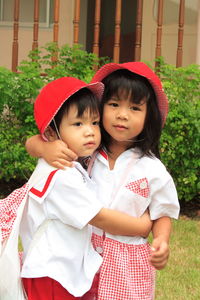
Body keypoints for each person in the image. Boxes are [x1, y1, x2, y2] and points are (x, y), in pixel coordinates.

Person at [25, 63, 180, 299]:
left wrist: (161, 239)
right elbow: (35, 140)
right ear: (100, 108)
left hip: (127, 261)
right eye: (114, 104)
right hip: (85, 253)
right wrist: (44, 148)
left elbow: (161, 213)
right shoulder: (88, 152)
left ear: (149, 116)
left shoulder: (153, 169)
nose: (122, 114)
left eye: (135, 108)